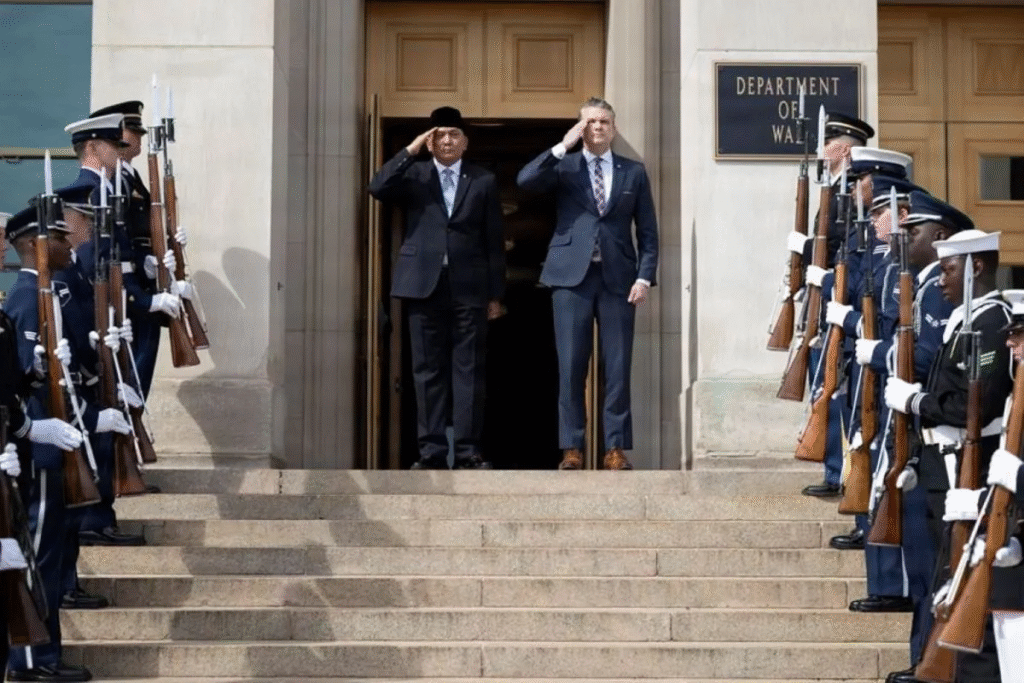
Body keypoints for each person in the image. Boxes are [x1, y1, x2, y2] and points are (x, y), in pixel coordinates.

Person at [884, 229, 1013, 683]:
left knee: (964, 576)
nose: (941, 280)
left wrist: (916, 401)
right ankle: (936, 663)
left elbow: (975, 405)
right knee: (942, 575)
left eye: (949, 270)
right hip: (943, 465)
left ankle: (961, 670)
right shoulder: (966, 320)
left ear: (977, 267)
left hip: (966, 468)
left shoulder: (993, 324)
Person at [517, 97, 658, 470]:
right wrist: (562, 146)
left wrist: (644, 277)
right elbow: (525, 180)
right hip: (570, 278)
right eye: (590, 122)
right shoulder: (565, 166)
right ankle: (572, 447)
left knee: (617, 367)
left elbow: (648, 231)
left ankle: (615, 448)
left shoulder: (633, 172)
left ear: (614, 128)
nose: (598, 127)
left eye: (604, 122)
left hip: (619, 280)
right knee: (570, 365)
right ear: (580, 128)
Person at [368, 106, 505, 470]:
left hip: (470, 288)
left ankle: (467, 451)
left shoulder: (483, 180)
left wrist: (495, 295)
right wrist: (411, 148)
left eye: (454, 135)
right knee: (427, 370)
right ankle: (431, 452)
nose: (447, 141)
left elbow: (493, 240)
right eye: (439, 135)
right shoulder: (414, 174)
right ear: (430, 141)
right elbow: (378, 186)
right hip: (422, 285)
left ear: (465, 142)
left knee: (468, 370)